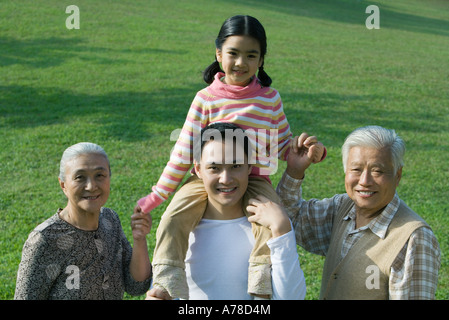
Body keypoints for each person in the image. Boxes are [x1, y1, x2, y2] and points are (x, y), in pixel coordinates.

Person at [136, 15, 325, 299]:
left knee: (268, 222)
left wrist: (306, 151)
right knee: (173, 217)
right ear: (218, 54)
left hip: (255, 180)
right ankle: (166, 280)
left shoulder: (269, 99)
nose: (241, 62)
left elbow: (283, 142)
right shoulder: (206, 98)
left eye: (251, 55)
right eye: (233, 53)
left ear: (261, 60)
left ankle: (262, 286)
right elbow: (185, 150)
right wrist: (158, 195)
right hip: (205, 180)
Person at [274, 126, 441, 299]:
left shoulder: (414, 239)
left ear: (397, 175)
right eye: (356, 169)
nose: (365, 181)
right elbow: (291, 218)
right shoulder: (342, 207)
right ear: (346, 172)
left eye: (377, 171)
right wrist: (295, 170)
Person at [147, 123, 307, 300]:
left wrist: (282, 229)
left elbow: (292, 298)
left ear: (249, 166)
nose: (226, 179)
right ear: (198, 169)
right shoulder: (180, 226)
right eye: (214, 168)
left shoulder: (271, 226)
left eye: (236, 166)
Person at [14, 142, 152, 300]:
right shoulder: (44, 240)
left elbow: (136, 286)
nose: (91, 186)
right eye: (80, 177)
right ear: (63, 185)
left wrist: (139, 238)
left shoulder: (110, 220)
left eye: (100, 175)